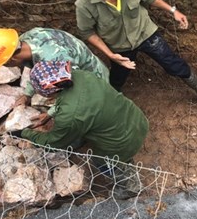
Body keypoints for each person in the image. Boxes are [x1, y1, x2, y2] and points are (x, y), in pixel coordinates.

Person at [17, 60, 149, 195]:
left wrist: (25, 133)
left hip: (122, 143)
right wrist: (50, 113)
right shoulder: (81, 75)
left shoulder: (70, 115)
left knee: (104, 162)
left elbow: (54, 142)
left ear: (46, 93)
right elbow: (78, 103)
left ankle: (130, 188)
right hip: (136, 119)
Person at [0, 27, 111, 98]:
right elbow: (38, 70)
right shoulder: (28, 37)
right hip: (86, 66)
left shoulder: (55, 60)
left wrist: (51, 113)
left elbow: (74, 91)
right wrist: (28, 94)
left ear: (11, 60)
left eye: (4, 64)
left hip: (95, 79)